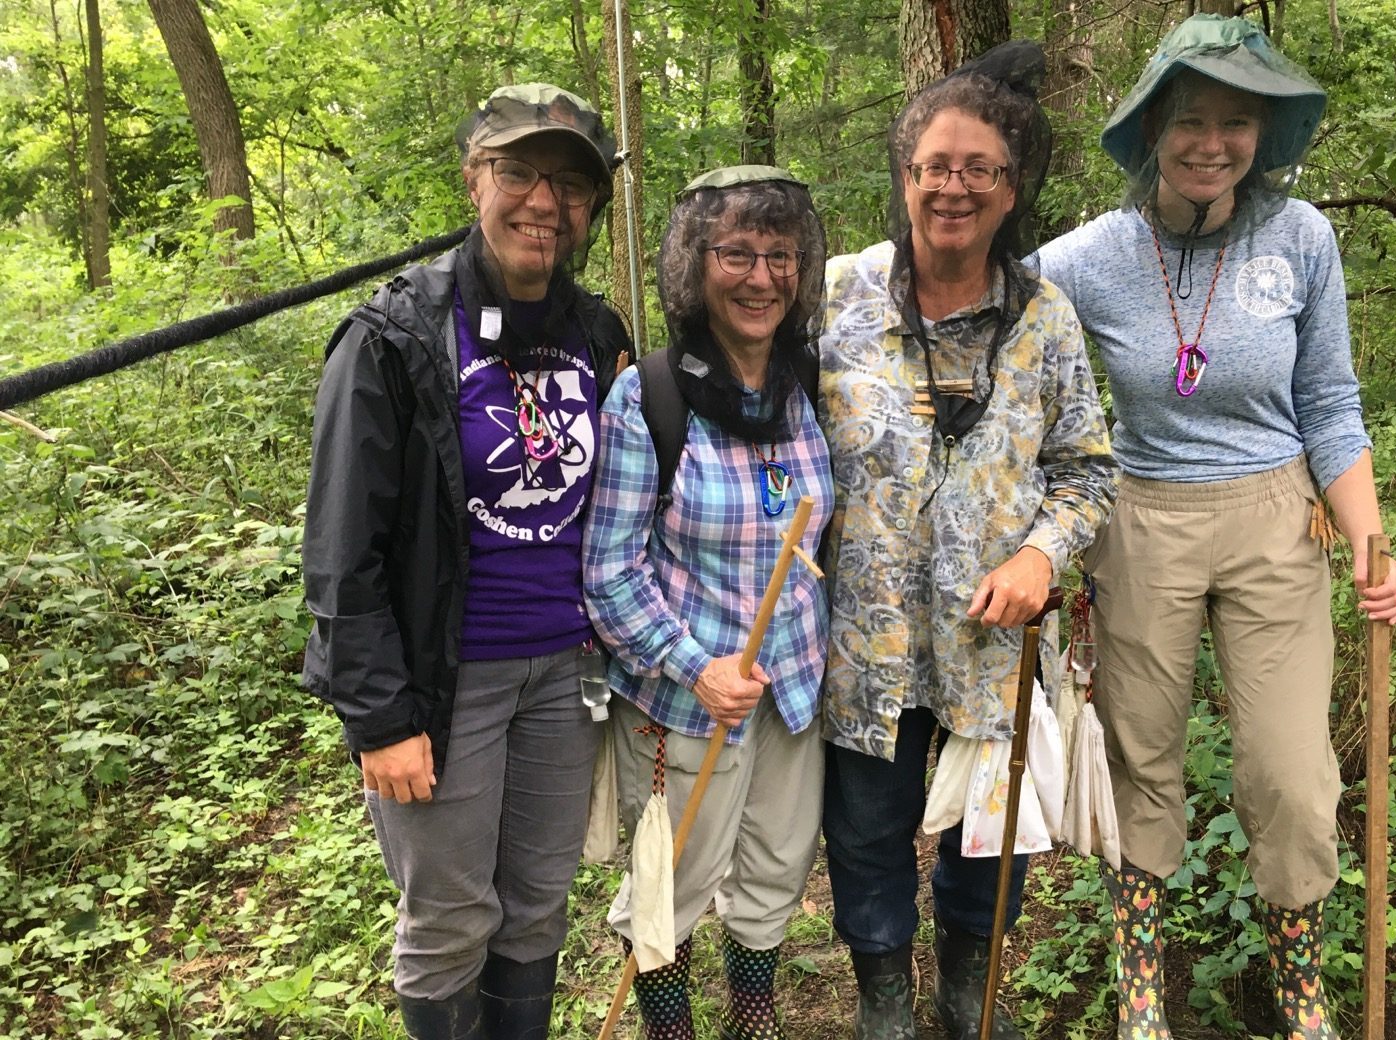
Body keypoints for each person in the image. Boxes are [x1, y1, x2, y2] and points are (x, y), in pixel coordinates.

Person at [1033, 15, 1396, 1040]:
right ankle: (1141, 986)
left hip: (1276, 516)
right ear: (1150, 127)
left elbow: (1331, 403)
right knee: (1138, 756)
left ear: (1263, 133)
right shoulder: (1090, 255)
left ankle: (1298, 983)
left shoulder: (1301, 240)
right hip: (1140, 517)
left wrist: (1371, 543)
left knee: (1288, 770)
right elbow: (991, 324)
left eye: (1235, 120)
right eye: (1189, 118)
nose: (1211, 141)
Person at [302, 84, 631, 1040]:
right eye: (519, 171)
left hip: (567, 677)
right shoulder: (393, 338)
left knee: (536, 903)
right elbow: (340, 551)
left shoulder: (596, 333)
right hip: (449, 686)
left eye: (571, 184)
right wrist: (379, 717)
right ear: (475, 178)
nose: (544, 201)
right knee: (449, 920)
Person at [815, 43, 1118, 1040]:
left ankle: (962, 983)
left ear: (1012, 185)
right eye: (934, 165)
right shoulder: (837, 298)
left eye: (978, 168)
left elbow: (1086, 470)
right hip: (867, 636)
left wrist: (1040, 554)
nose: (953, 185)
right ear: (904, 176)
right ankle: (884, 999)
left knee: (989, 838)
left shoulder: (1044, 319)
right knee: (864, 831)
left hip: (995, 642)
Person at [583, 166, 834, 1040]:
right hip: (684, 700)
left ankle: (754, 1014)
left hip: (792, 687)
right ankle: (669, 1025)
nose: (761, 277)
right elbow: (609, 574)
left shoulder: (810, 390)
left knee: (774, 866)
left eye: (780, 255)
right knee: (674, 878)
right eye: (736, 254)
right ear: (696, 265)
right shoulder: (647, 398)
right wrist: (697, 666)